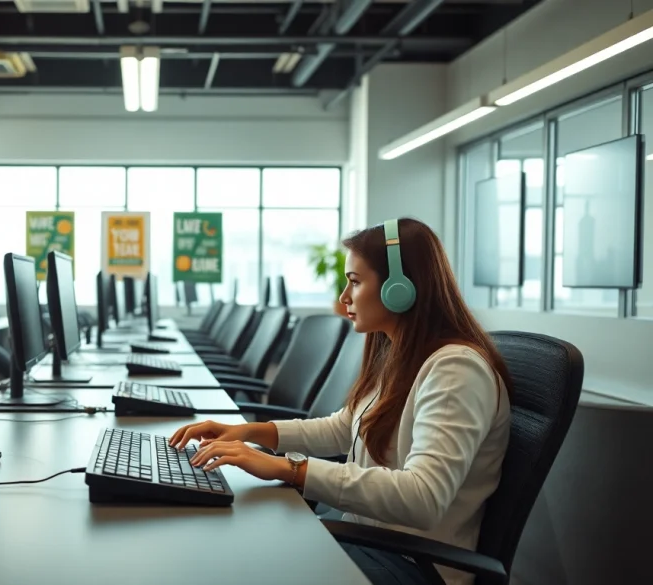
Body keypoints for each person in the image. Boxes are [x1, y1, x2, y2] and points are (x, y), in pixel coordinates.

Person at [170, 218, 511, 585]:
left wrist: (290, 469)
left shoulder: (455, 369)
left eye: (355, 281)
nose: (343, 298)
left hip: (413, 565)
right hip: (372, 541)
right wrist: (246, 431)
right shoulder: (402, 355)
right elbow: (342, 427)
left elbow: (423, 497)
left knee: (241, 555)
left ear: (400, 289)